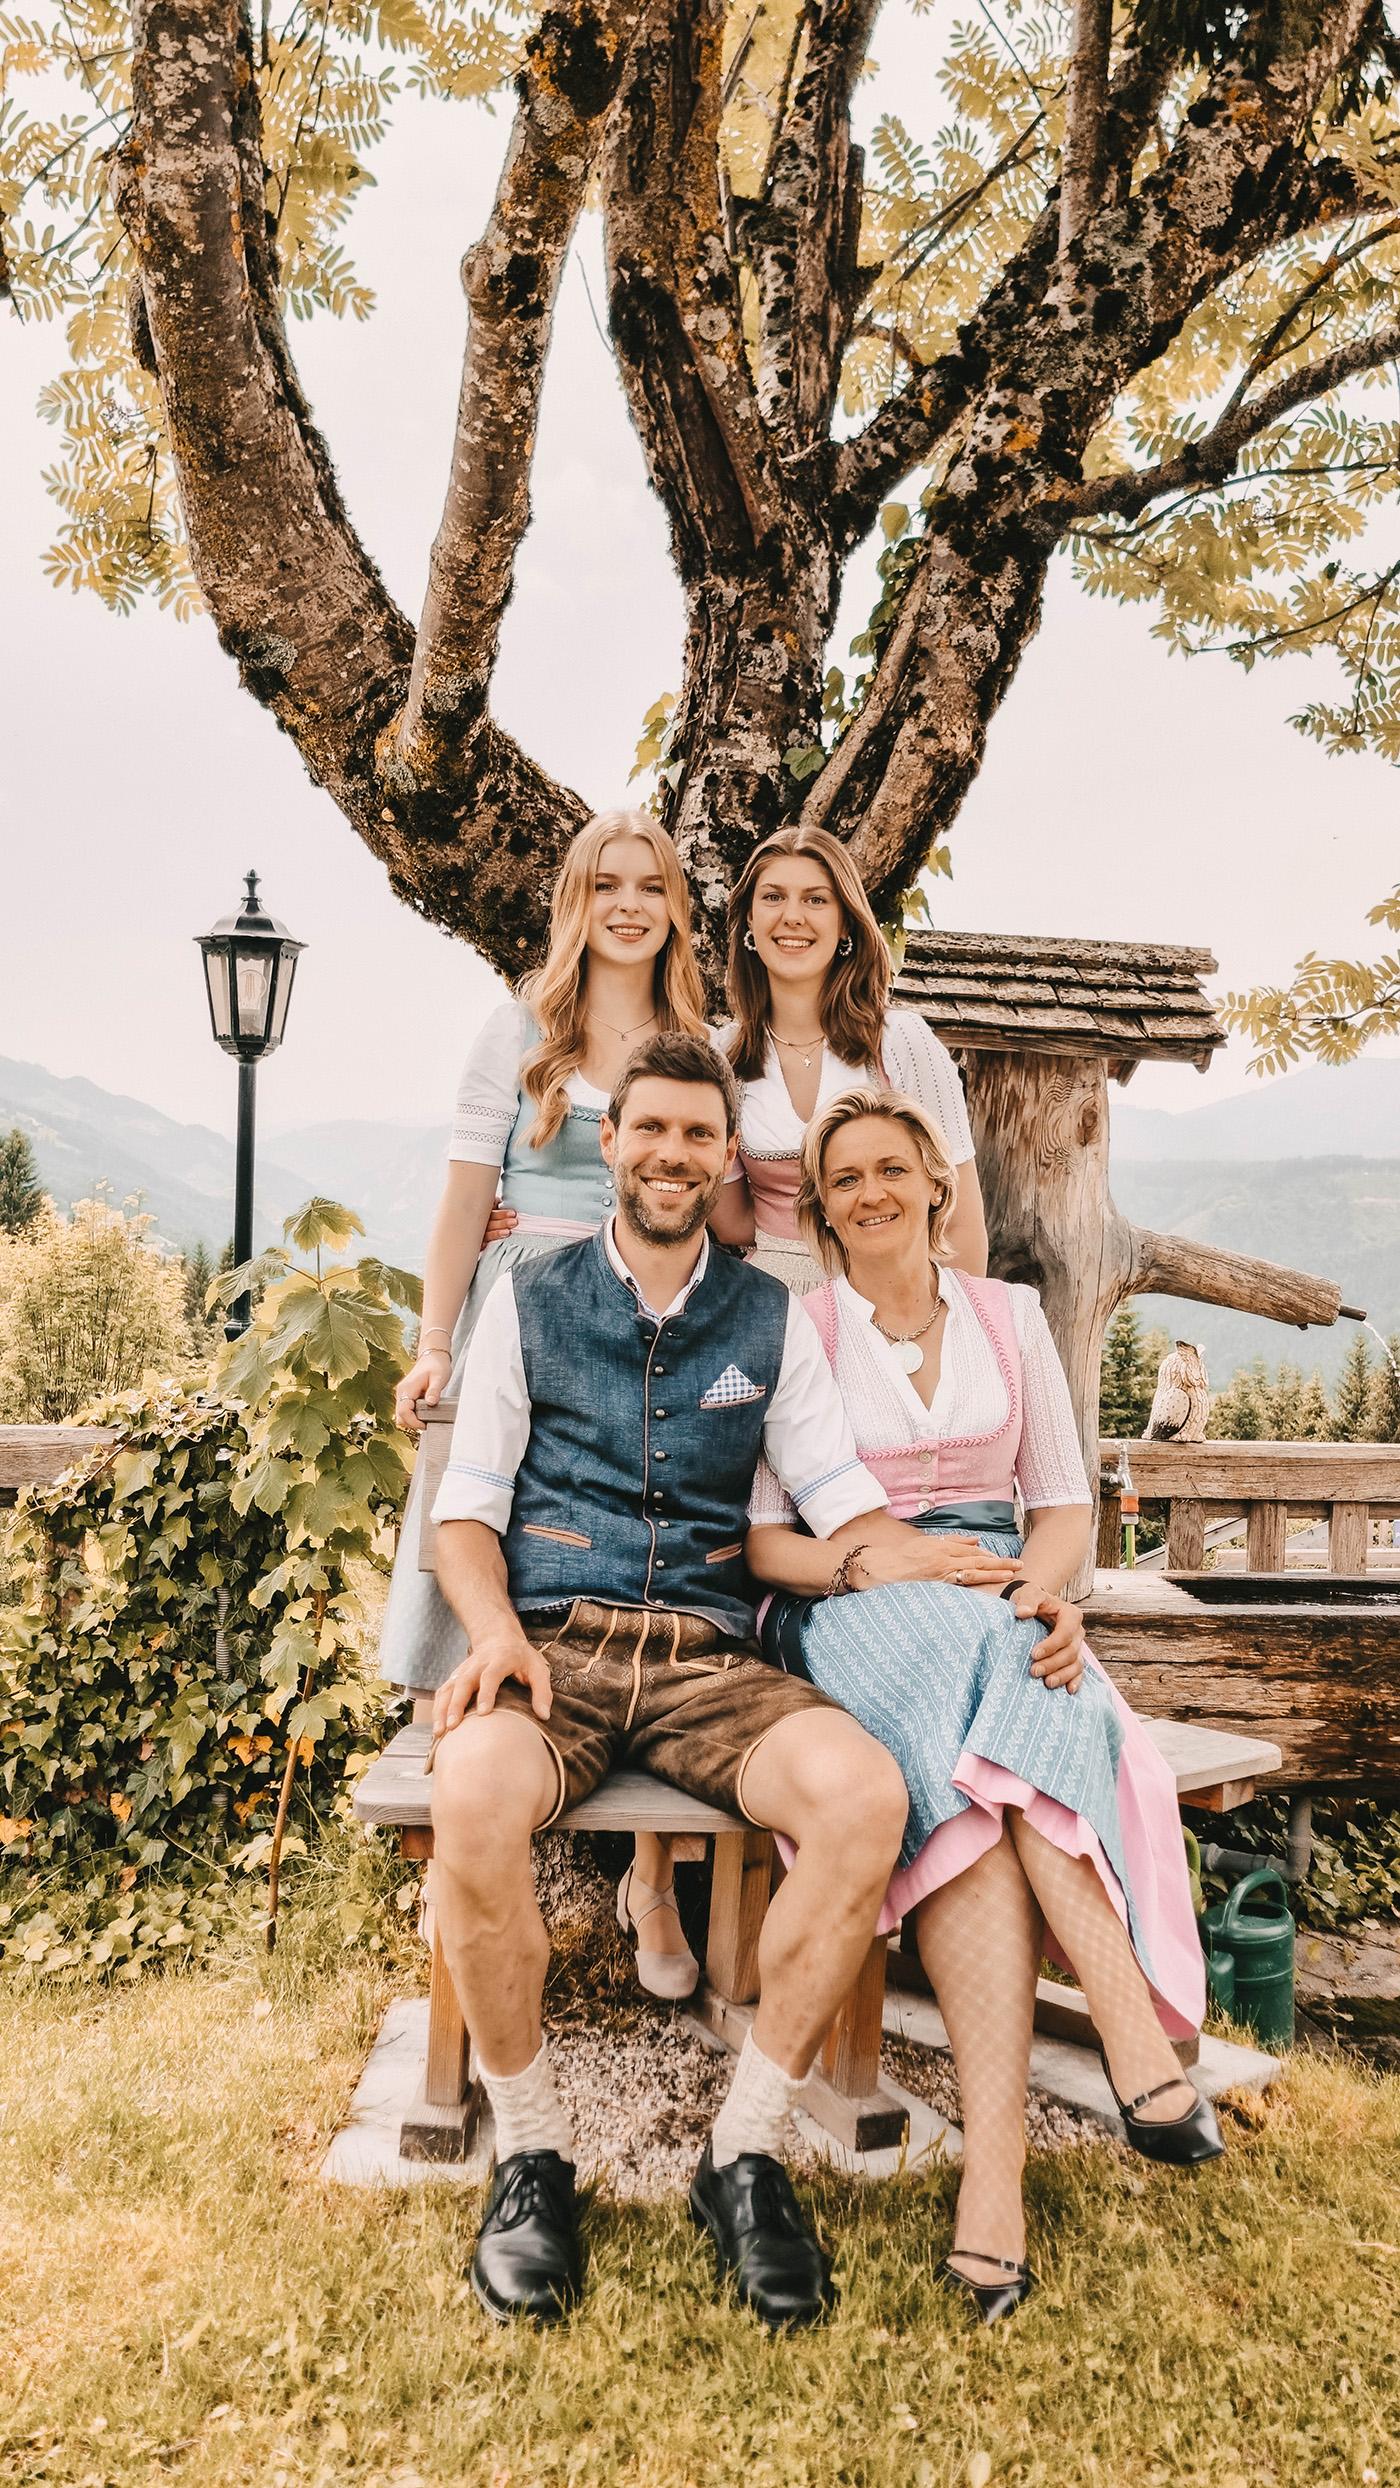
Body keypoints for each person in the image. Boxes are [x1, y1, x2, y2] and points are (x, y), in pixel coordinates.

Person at [426, 1033, 909, 2329]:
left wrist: (972, 1571)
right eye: (651, 1128)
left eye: (699, 1134)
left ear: (723, 1156)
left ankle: (740, 2155)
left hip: (711, 1658)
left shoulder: (767, 1317)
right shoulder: (527, 1297)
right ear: (611, 1140)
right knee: (470, 1794)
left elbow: (840, 1498)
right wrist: (492, 1633)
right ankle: (532, 2154)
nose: (672, 1153)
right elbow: (465, 1512)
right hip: (557, 1644)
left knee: (863, 1796)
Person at [745, 1086, 1219, 2326]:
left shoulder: (1008, 1317)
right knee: (988, 1653)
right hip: (849, 1604)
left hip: (1004, 1599)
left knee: (983, 1784)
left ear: (932, 1184)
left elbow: (1059, 1503)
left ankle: (991, 2188)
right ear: (820, 1209)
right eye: (842, 1178)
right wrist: (880, 1564)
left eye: (889, 1169)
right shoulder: (802, 1331)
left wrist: (1044, 1593)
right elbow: (764, 1544)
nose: (869, 1192)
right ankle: (1126, 2031)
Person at [381, 810, 708, 1998]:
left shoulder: (697, 1039)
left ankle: (653, 1881)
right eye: (606, 883)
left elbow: (715, 1198)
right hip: (522, 1300)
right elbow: (468, 1197)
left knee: (648, 1564)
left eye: (649, 886)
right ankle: (457, 1863)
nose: (628, 905)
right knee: (474, 1538)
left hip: (647, 1310)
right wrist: (434, 1344)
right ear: (576, 900)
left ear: (673, 906)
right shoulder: (518, 1028)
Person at [710, 825, 988, 1288]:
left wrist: (943, 1322)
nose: (792, 916)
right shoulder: (723, 1056)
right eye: (773, 897)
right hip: (771, 1297)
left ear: (844, 924)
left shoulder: (901, 1041)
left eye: (816, 899)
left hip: (889, 1296)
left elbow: (961, 1222)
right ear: (749, 924)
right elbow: (733, 1222)